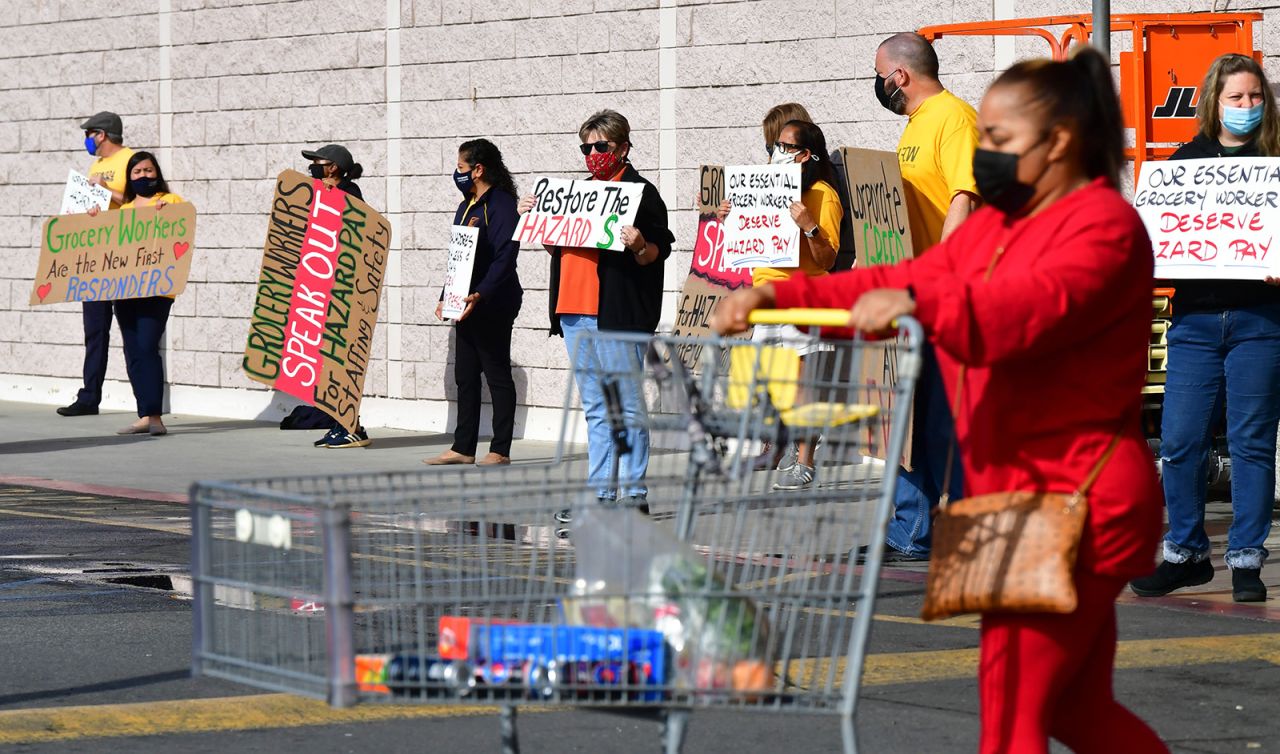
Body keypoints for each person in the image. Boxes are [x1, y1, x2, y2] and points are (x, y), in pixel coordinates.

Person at [712, 47, 1167, 754]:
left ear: (1061, 143)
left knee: (1011, 710)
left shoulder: (1103, 225)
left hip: (1072, 498)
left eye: (998, 139)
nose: (980, 152)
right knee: (1072, 710)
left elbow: (1022, 311)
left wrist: (917, 299)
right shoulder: (994, 225)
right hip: (1003, 499)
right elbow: (902, 274)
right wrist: (777, 295)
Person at [1130, 53, 1280, 604]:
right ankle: (1186, 554)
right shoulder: (1184, 163)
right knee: (1180, 441)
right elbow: (1155, 238)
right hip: (1193, 323)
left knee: (1252, 444)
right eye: (1236, 97)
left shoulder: (1276, 161)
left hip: (1260, 323)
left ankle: (1245, 561)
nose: (1246, 107)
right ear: (1213, 101)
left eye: (1255, 97)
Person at [519, 110, 674, 510]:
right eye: (586, 147)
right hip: (574, 311)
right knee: (596, 409)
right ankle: (601, 493)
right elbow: (558, 245)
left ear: (622, 147)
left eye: (600, 146)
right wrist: (536, 219)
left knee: (626, 405)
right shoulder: (575, 193)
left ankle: (634, 492)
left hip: (617, 314)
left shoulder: (641, 192)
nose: (592, 154)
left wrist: (640, 244)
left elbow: (657, 251)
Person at [871, 32, 980, 561]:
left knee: (945, 421)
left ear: (899, 76)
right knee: (910, 416)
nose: (878, 84)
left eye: (879, 74)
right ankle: (911, 531)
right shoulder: (916, 126)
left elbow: (966, 194)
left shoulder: (955, 117)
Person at [715, 119, 843, 490]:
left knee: (803, 385)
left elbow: (828, 258)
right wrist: (729, 218)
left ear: (805, 155)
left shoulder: (823, 195)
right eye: (776, 145)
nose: (777, 152)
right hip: (767, 297)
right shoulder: (764, 186)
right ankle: (784, 447)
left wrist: (809, 225)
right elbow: (750, 236)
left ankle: (805, 461)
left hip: (804, 297)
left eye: (786, 147)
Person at [425, 139, 523, 467]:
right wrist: (445, 296)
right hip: (464, 302)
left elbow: (505, 256)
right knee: (465, 374)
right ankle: (463, 447)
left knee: (496, 374)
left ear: (478, 169)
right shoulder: (467, 204)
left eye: (462, 168)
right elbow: (459, 256)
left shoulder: (502, 204)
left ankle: (500, 449)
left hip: (493, 301)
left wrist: (481, 294)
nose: (458, 174)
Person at [87, 152, 183, 436]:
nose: (144, 176)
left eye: (148, 170)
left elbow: (182, 229)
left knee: (146, 345)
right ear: (129, 178)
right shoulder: (125, 210)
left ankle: (155, 416)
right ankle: (144, 414)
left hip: (156, 290)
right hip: (125, 290)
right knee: (132, 351)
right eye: (137, 172)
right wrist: (94, 219)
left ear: (157, 173)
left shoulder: (170, 201)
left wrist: (169, 213)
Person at [58, 112, 135, 417]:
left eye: (89, 134)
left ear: (101, 135)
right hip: (96, 255)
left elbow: (136, 199)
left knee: (132, 329)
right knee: (95, 329)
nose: (87, 140)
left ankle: (146, 402)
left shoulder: (130, 160)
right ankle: (89, 397)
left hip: (123, 254)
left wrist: (105, 189)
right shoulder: (97, 165)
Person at [301, 144, 373, 449]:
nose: (313, 167)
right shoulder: (322, 192)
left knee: (341, 360)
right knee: (326, 360)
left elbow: (354, 233)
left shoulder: (350, 194)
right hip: (325, 290)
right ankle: (341, 423)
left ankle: (351, 426)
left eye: (317, 162)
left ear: (333, 167)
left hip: (344, 293)